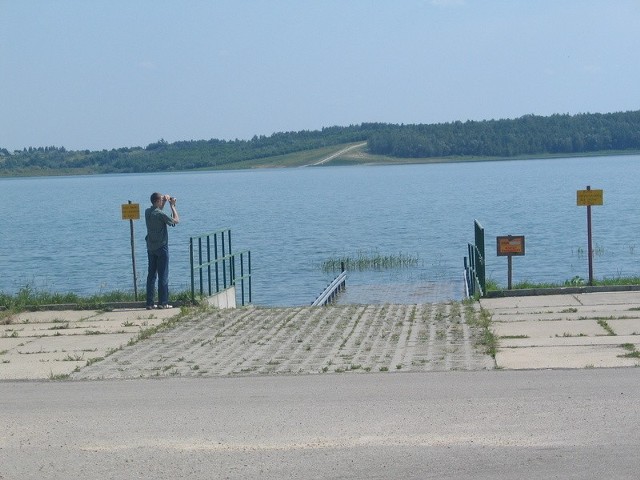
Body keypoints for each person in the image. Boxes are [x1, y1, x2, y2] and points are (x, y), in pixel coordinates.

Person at [145, 192, 179, 309]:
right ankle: (163, 303)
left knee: (151, 276)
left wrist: (163, 200)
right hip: (162, 248)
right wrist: (172, 206)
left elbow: (158, 211)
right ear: (158, 201)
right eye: (161, 200)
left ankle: (149, 303)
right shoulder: (160, 214)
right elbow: (175, 220)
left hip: (151, 247)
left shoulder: (147, 212)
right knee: (163, 275)